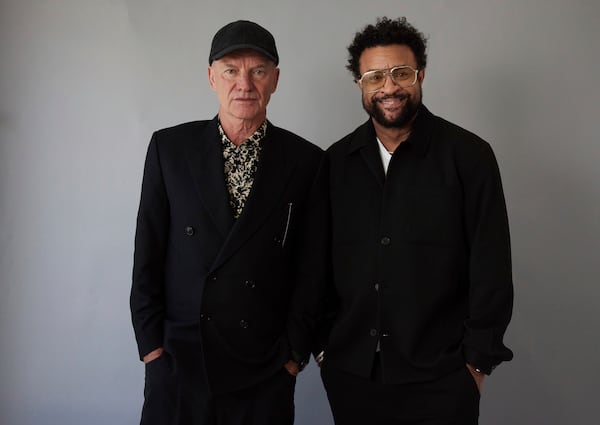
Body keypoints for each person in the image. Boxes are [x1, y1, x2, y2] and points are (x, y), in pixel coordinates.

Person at [317, 17, 514, 425]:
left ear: (421, 75)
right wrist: (324, 348)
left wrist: (476, 364)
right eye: (374, 77)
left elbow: (491, 264)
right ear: (360, 84)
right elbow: (315, 264)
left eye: (400, 74)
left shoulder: (470, 156)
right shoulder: (334, 163)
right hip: (352, 375)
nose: (388, 88)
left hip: (442, 376)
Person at [130, 20, 327, 425]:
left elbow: (313, 269)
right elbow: (147, 251)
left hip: (263, 366)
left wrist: (293, 355)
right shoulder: (170, 149)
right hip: (180, 359)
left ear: (275, 80)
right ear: (211, 77)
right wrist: (152, 347)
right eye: (231, 71)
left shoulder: (307, 161)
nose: (245, 84)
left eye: (257, 71)